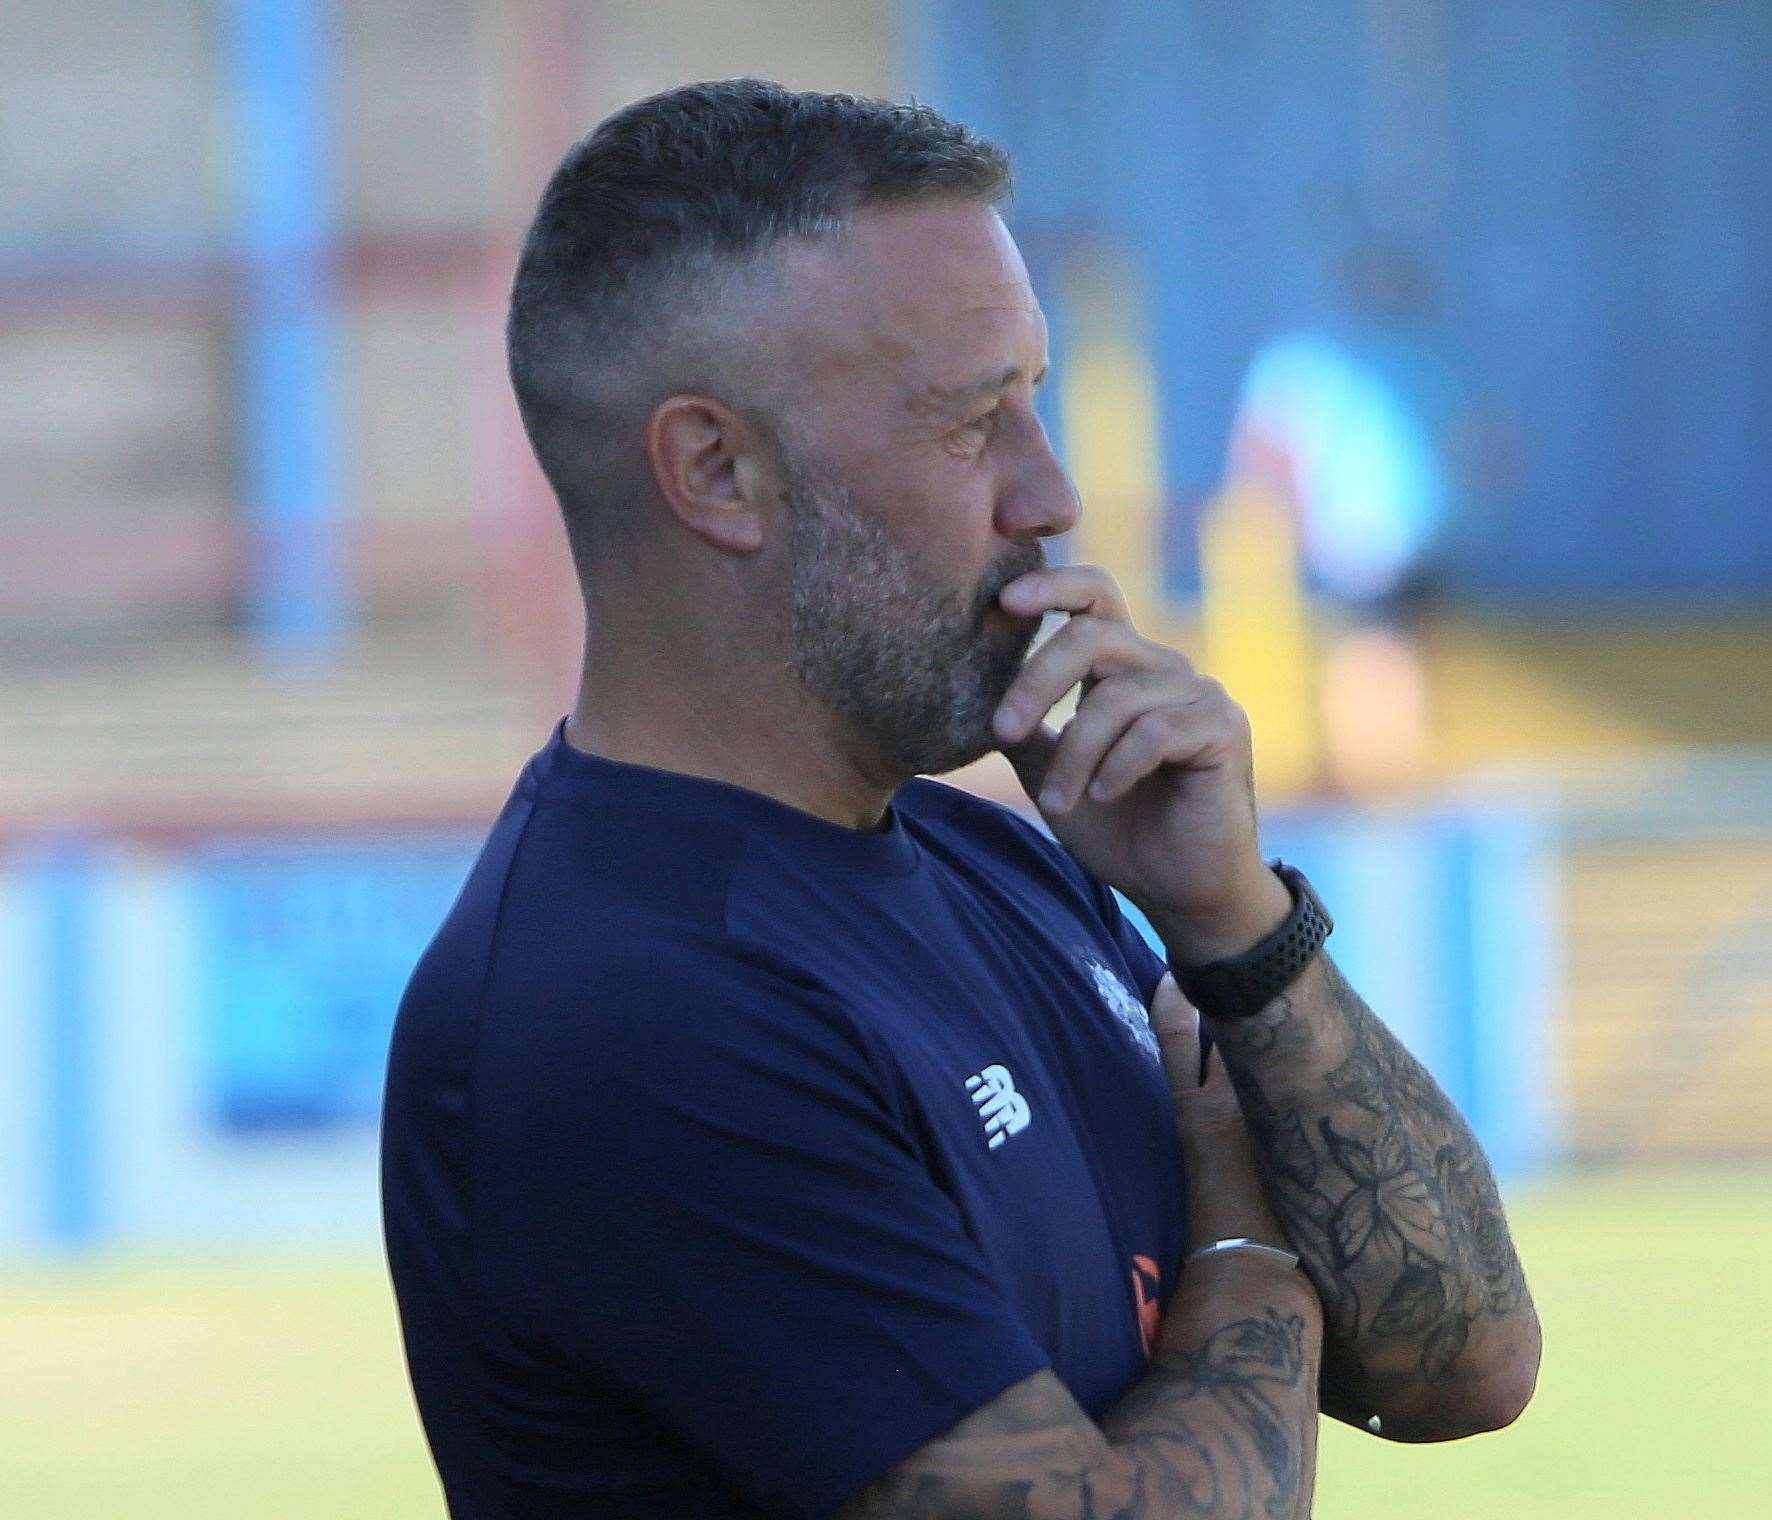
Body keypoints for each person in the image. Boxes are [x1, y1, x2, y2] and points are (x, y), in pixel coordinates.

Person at [381, 80, 1541, 1519]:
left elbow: (1468, 1363)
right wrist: (1245, 1247)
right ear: (715, 471)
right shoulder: (628, 1004)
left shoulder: (1004, 863)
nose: (1049, 494)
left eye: (1035, 400)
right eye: (969, 422)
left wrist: (1236, 926)